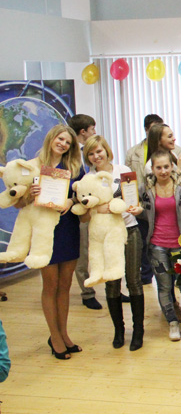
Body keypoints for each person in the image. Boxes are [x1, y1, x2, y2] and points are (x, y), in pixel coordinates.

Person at [83, 135, 146, 351]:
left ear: (106, 150)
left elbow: (134, 201)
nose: (96, 156)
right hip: (106, 235)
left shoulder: (123, 171)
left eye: (99, 151)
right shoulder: (88, 179)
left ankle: (138, 330)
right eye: (91, 153)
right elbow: (84, 211)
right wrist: (96, 209)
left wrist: (137, 209)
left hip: (130, 229)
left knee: (134, 280)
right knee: (111, 281)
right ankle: (119, 330)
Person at [28, 125, 85, 359]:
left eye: (68, 142)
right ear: (51, 138)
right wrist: (29, 193)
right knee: (50, 285)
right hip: (44, 232)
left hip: (67, 228)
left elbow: (84, 196)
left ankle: (63, 333)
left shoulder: (75, 167)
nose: (63, 144)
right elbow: (19, 202)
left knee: (65, 285)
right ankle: (55, 336)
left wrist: (72, 201)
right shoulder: (33, 166)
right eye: (60, 139)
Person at [139, 149, 181, 341]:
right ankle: (172, 322)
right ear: (152, 169)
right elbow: (133, 203)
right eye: (159, 167)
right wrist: (141, 213)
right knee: (165, 287)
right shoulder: (146, 188)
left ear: (172, 166)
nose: (163, 171)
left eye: (166, 166)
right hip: (156, 245)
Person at [126, 114, 181, 286]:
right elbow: (169, 187)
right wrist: (180, 171)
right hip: (157, 216)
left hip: (175, 217)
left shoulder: (175, 154)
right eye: (169, 136)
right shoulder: (152, 166)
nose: (173, 139)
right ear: (159, 140)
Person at [68, 113, 102, 310]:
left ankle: (113, 287)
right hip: (77, 208)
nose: (94, 132)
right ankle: (87, 293)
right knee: (83, 253)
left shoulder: (92, 152)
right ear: (83, 131)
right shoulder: (71, 155)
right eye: (92, 129)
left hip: (96, 207)